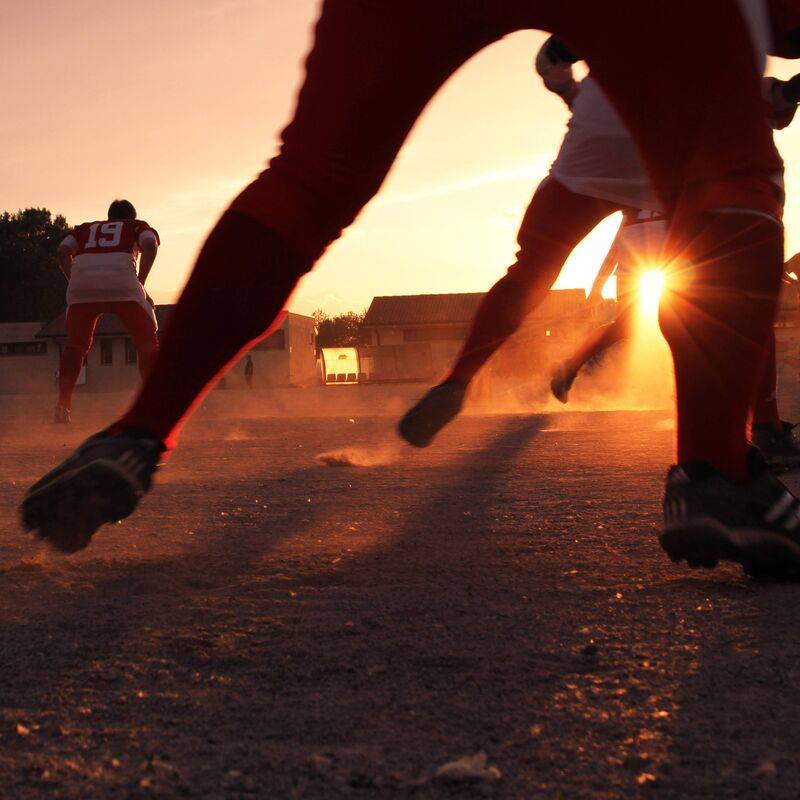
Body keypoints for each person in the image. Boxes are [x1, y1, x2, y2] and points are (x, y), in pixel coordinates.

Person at [20, 1, 800, 579]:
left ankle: (137, 433)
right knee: (734, 190)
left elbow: (555, 67)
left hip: (585, 149)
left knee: (308, 184)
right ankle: (718, 470)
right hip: (655, 135)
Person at [53, 199, 160, 423]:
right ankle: (153, 404)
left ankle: (63, 406)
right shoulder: (135, 226)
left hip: (82, 287)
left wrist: (76, 281)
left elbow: (62, 251)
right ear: (131, 217)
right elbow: (150, 244)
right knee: (147, 342)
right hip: (124, 284)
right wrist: (140, 283)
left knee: (75, 346)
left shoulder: (83, 229)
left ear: (109, 217)